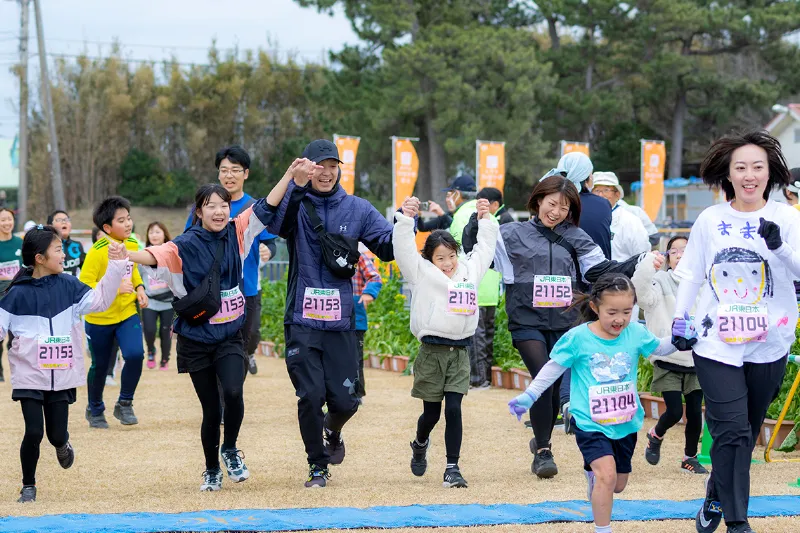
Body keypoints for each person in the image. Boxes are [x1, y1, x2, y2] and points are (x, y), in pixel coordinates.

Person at [128, 159, 314, 492]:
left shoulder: (239, 231)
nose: (218, 211)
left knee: (233, 391)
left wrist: (287, 175)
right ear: (198, 212)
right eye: (210, 206)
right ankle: (211, 468)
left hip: (230, 334)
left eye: (223, 205)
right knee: (211, 408)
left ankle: (230, 449)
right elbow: (154, 255)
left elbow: (267, 204)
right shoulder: (184, 244)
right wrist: (124, 255)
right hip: (196, 338)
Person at [465, 175, 663, 479]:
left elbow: (600, 270)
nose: (556, 211)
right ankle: (544, 449)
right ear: (538, 200)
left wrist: (639, 261)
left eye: (564, 207)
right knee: (542, 374)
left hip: (565, 320)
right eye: (552, 203)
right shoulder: (511, 232)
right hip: (526, 318)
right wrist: (476, 223)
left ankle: (540, 438)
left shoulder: (577, 237)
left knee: (556, 383)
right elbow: (476, 248)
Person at [671, 130, 796, 533]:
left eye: (757, 167)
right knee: (731, 430)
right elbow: (690, 273)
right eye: (740, 167)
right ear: (728, 174)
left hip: (769, 342)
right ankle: (737, 521)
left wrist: (780, 249)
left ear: (769, 173)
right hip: (716, 342)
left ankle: (715, 493)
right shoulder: (711, 219)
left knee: (745, 432)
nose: (749, 175)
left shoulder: (787, 218)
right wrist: (680, 317)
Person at [508, 273, 687, 533]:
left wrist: (678, 340)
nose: (620, 319)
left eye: (627, 311)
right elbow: (552, 369)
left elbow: (659, 348)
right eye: (612, 312)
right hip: (590, 421)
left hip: (625, 422)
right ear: (595, 307)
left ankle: (593, 475)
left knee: (618, 484)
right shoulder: (578, 337)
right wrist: (529, 396)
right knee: (607, 476)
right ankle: (602, 528)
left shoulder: (635, 332)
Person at [266, 139, 397, 488]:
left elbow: (385, 247)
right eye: (319, 166)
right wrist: (293, 184)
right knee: (309, 396)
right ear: (308, 168)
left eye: (332, 166)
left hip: (341, 321)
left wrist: (404, 224)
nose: (325, 172)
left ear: (340, 169)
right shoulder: (297, 202)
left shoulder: (358, 208)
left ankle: (332, 429)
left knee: (347, 400)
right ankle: (317, 465)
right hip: (302, 320)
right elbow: (272, 224)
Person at [0, 226, 128, 502]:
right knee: (34, 431)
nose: (63, 255)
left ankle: (62, 444)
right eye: (57, 250)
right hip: (29, 375)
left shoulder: (70, 286)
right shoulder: (15, 294)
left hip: (61, 375)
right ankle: (28, 485)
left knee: (56, 435)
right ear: (39, 258)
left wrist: (117, 265)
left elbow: (101, 300)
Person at [395, 196, 498, 488]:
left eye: (451, 256)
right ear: (430, 259)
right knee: (431, 413)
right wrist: (406, 218)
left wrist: (485, 220)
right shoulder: (420, 272)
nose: (448, 263)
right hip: (431, 352)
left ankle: (452, 468)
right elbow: (403, 249)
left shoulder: (468, 271)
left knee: (454, 409)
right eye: (440, 258)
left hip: (460, 351)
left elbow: (485, 249)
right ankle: (420, 442)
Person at [184, 145, 277, 376]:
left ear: (245, 173)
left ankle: (239, 377)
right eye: (224, 170)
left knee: (250, 337)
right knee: (220, 347)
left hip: (247, 287)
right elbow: (186, 242)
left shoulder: (255, 208)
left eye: (235, 170)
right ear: (218, 173)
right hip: (212, 290)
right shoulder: (203, 207)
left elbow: (271, 243)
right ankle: (224, 401)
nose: (229, 175)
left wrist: (268, 250)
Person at [631, 236, 707, 474]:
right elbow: (640, 295)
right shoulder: (660, 280)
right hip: (668, 356)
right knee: (674, 411)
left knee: (695, 413)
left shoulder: (703, 284)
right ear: (667, 258)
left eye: (686, 250)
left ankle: (689, 458)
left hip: (696, 358)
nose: (680, 255)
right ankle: (656, 435)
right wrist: (646, 267)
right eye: (674, 251)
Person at [80, 197, 148, 428]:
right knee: (99, 365)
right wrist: (114, 288)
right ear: (107, 228)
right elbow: (85, 286)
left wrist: (139, 288)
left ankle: (125, 403)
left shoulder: (132, 244)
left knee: (135, 355)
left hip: (127, 313)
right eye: (121, 220)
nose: (128, 223)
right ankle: (95, 408)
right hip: (99, 319)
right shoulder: (97, 252)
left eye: (129, 218)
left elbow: (134, 271)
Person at [463, 186, 514, 388]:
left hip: (488, 287)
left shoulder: (505, 220)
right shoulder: (478, 218)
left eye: (484, 203)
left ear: (494, 204)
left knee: (481, 336)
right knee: (485, 335)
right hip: (488, 287)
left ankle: (481, 379)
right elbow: (468, 241)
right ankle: (484, 378)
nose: (481, 207)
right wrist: (478, 218)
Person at [542, 153, 613, 259]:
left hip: (560, 270)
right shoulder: (604, 204)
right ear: (588, 177)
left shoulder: (550, 203)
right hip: (599, 270)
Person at [591, 172, 651, 261]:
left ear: (617, 194)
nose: (600, 195)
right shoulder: (586, 218)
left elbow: (642, 255)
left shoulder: (630, 221)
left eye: (606, 190)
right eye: (596, 190)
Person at [140, 222, 174, 370]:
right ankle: (151, 351)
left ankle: (165, 359)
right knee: (149, 330)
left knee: (166, 331)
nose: (154, 235)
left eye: (157, 232)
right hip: (150, 300)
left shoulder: (172, 253)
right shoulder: (142, 254)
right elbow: (138, 276)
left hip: (168, 301)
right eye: (151, 232)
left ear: (164, 234)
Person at [352, 249, 382, 400]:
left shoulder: (359, 256)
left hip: (355, 315)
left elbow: (375, 277)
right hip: (329, 315)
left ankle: (357, 393)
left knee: (355, 357)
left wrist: (368, 293)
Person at [0, 207, 22, 383]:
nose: (7, 223)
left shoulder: (20, 243)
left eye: (9, 219)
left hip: (17, 297)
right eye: (3, 220)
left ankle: (18, 372)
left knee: (16, 338)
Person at [47, 210, 86, 277]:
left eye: (67, 219)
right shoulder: (46, 246)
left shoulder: (77, 245)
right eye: (59, 220)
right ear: (50, 226)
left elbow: (86, 270)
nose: (64, 222)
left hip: (72, 285)